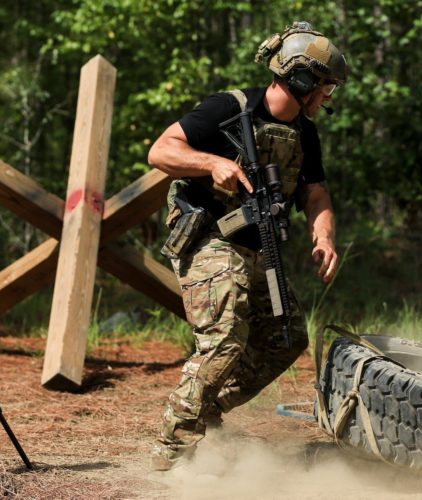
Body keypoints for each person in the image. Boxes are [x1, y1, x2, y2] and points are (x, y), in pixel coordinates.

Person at [146, 21, 347, 471]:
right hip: (211, 240)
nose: (328, 98)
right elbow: (161, 151)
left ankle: (204, 410)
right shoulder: (229, 107)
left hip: (260, 250)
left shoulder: (305, 133)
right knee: (225, 338)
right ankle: (172, 454)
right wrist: (211, 163)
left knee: (285, 337)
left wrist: (324, 236)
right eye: (326, 88)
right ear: (302, 80)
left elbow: (315, 193)